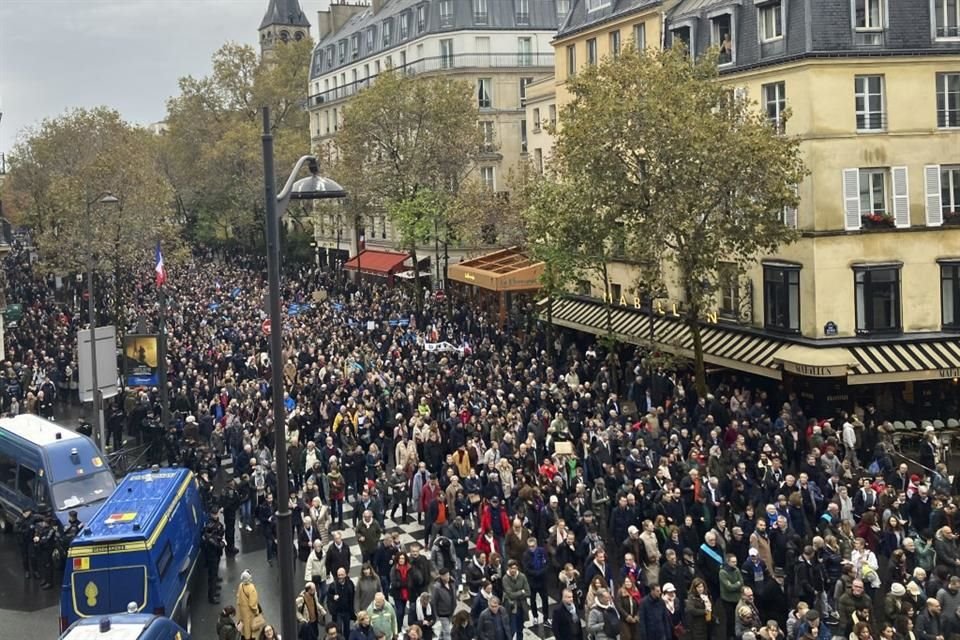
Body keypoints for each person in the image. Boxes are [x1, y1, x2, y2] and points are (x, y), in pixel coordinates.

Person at [501, 559, 530, 640]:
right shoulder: (505, 579)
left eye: (515, 568)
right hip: (512, 608)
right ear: (508, 568)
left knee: (520, 629)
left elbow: (528, 592)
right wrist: (521, 592)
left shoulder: (522, 576)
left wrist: (516, 594)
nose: (513, 570)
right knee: (511, 629)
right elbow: (510, 595)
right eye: (511, 568)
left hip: (522, 607)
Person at [204, 507, 226, 604]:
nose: (216, 515)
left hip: (216, 552)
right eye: (215, 514)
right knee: (212, 575)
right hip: (211, 553)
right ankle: (211, 597)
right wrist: (220, 544)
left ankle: (215, 588)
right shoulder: (209, 525)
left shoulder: (216, 523)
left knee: (215, 571)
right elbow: (210, 540)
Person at [327, 567, 356, 638]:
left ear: (345, 575)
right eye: (339, 575)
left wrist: (353, 610)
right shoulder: (333, 585)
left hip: (347, 611)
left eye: (342, 575)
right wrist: (333, 597)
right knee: (338, 630)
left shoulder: (350, 584)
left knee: (347, 630)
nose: (340, 577)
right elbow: (328, 597)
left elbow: (353, 596)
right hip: (338, 612)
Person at [236, 570, 263, 640]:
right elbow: (252, 604)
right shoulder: (251, 588)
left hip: (242, 612)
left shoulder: (240, 586)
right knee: (251, 631)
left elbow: (238, 598)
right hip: (250, 614)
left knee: (244, 631)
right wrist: (256, 612)